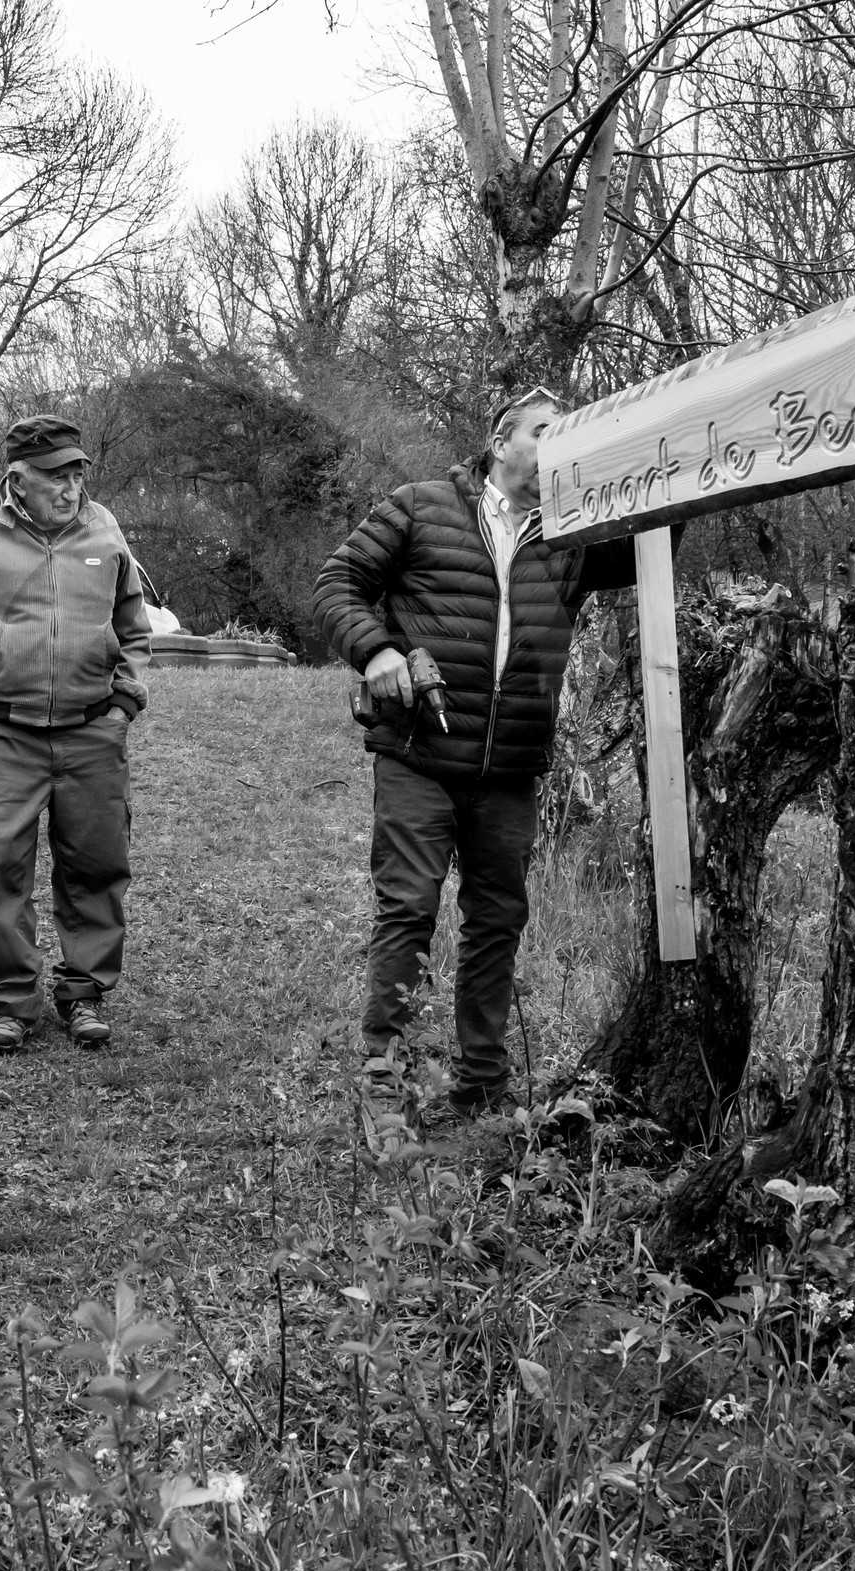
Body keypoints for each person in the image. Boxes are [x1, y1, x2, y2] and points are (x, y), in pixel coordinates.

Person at [313, 388, 668, 1115]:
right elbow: (337, 583)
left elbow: (655, 536)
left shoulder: (575, 530)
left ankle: (481, 1082)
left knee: (497, 917)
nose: (557, 445)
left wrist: (659, 459)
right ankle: (386, 1077)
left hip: (510, 765)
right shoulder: (421, 506)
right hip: (419, 751)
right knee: (409, 908)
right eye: (544, 432)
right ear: (501, 441)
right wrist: (375, 650)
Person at [0, 413, 151, 1054]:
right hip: (3, 731)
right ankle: (10, 1001)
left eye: (77, 472)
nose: (70, 487)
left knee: (96, 864)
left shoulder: (103, 528)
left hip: (92, 728)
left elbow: (133, 624)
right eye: (54, 475)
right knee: (3, 870)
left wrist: (124, 702)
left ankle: (84, 993)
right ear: (16, 477)